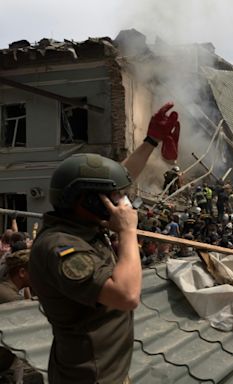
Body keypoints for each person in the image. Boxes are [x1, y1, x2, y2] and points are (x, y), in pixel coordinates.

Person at [29, 102, 180, 383]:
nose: (119, 201)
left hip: (107, 372)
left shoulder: (80, 224)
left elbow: (116, 177)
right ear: (85, 200)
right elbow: (126, 296)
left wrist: (151, 141)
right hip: (89, 377)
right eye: (111, 197)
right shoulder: (60, 246)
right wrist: (127, 232)